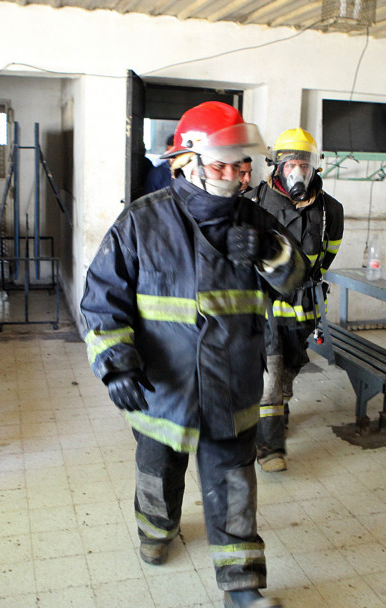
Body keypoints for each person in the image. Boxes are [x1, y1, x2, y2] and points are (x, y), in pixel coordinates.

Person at [80, 102, 308, 608]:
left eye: (242, 164)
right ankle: (155, 532)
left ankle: (243, 587)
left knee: (233, 481)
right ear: (186, 161)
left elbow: (297, 285)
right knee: (158, 469)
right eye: (221, 164)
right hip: (164, 387)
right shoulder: (143, 221)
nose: (234, 175)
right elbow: (101, 300)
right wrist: (116, 362)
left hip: (232, 383)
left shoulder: (257, 222)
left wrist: (270, 254)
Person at [250, 128, 344, 473]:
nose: (297, 172)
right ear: (277, 166)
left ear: (314, 168)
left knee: (290, 368)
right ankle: (269, 447)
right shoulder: (255, 202)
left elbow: (325, 259)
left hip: (304, 307)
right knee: (271, 374)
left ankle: (280, 409)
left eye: (304, 165)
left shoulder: (330, 210)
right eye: (291, 164)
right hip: (265, 306)